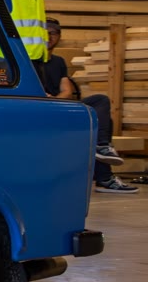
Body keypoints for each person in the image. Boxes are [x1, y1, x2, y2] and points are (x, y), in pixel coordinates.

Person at [39, 18, 136, 194]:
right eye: (45, 32)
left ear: (59, 36)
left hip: (60, 107)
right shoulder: (31, 60)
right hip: (41, 110)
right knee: (101, 117)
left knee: (100, 103)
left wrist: (56, 100)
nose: (49, 36)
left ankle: (102, 153)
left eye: (54, 33)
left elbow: (67, 91)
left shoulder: (58, 62)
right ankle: (104, 174)